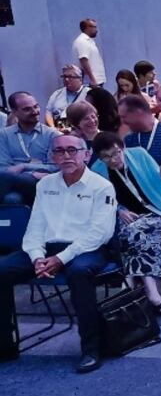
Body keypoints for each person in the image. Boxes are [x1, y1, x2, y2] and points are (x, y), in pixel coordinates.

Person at [0, 134, 115, 371]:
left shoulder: (101, 186)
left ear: (87, 154)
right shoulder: (45, 184)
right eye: (60, 151)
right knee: (1, 270)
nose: (66, 156)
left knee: (79, 272)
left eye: (72, 150)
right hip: (48, 247)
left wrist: (61, 259)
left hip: (87, 248)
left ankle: (91, 349)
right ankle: (4, 345)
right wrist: (37, 257)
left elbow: (99, 234)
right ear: (53, 157)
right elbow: (36, 227)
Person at [89, 131, 161, 315]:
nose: (113, 159)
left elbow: (158, 173)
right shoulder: (97, 170)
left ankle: (130, 290)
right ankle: (153, 297)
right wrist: (119, 210)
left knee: (137, 234)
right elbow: (100, 201)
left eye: (116, 153)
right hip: (129, 223)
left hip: (159, 216)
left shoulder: (139, 154)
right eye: (106, 157)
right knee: (135, 234)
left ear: (123, 148)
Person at [0, 92, 60, 205]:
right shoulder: (4, 135)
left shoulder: (52, 135)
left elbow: (55, 167)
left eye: (36, 106)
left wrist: (23, 166)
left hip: (41, 182)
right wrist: (33, 171)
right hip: (11, 183)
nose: (35, 112)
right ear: (14, 112)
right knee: (12, 199)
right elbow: (3, 168)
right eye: (27, 109)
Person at [72, 18, 106, 87]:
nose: (96, 30)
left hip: (96, 81)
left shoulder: (89, 41)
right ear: (86, 28)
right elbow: (83, 60)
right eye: (94, 27)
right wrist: (92, 79)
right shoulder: (83, 41)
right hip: (91, 83)